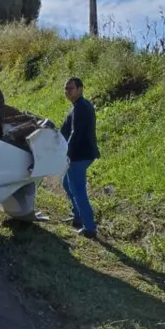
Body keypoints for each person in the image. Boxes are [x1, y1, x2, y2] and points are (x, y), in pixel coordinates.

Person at [60, 77, 101, 238]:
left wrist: (67, 154)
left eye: (70, 88)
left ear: (80, 89)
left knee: (78, 190)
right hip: (81, 153)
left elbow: (75, 134)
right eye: (66, 88)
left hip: (80, 154)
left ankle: (89, 227)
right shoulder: (76, 107)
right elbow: (65, 130)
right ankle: (78, 216)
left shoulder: (82, 107)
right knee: (67, 184)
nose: (67, 91)